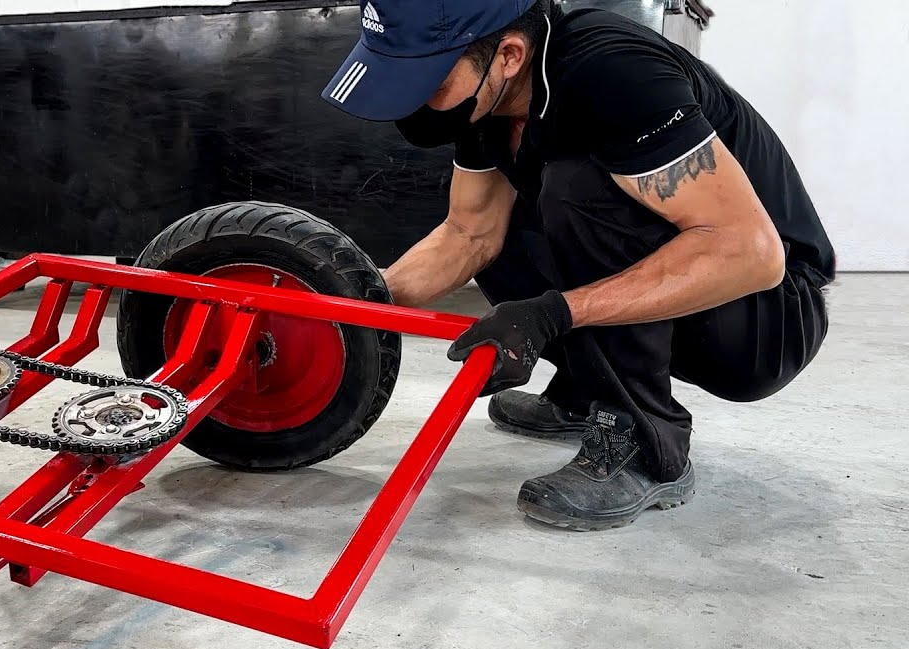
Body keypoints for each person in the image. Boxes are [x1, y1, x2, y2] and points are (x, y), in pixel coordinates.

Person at [320, 0, 833, 531]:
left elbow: (750, 251)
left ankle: (645, 444)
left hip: (767, 320)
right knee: (499, 223)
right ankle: (585, 390)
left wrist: (552, 315)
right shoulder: (490, 98)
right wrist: (352, 300)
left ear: (509, 56)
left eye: (424, 76)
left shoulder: (613, 75)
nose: (413, 101)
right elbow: (468, 235)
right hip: (718, 288)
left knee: (575, 191)